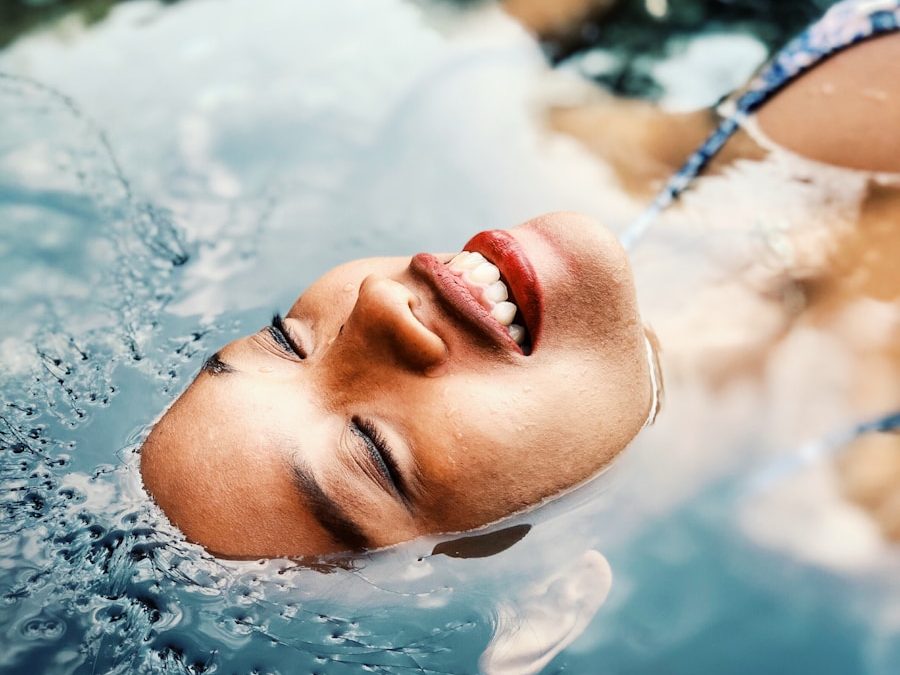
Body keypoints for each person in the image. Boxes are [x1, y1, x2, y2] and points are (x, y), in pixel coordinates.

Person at [141, 0, 900, 559]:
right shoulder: (866, 521)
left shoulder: (487, 124)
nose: (376, 304)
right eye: (370, 451)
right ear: (551, 598)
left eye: (286, 339)